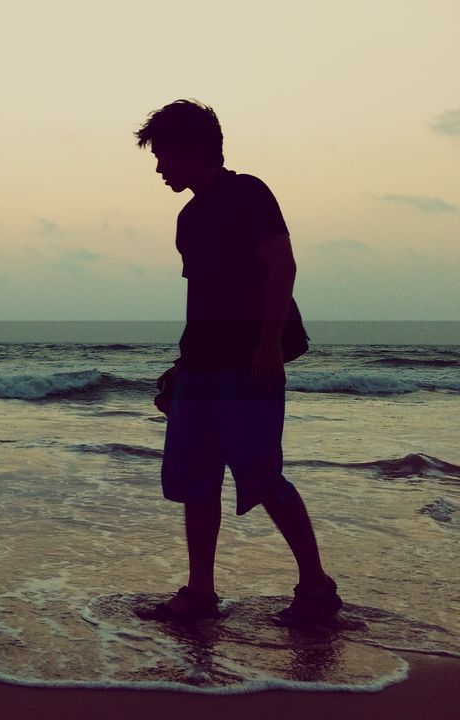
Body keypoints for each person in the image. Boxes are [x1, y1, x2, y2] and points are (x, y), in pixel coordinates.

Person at [131, 99, 342, 625]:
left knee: (263, 476)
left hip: (250, 365)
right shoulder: (189, 217)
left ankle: (316, 587)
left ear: (193, 149)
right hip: (201, 368)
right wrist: (182, 368)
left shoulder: (248, 192)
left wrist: (269, 343)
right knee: (196, 481)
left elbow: (282, 265)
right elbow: (203, 300)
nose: (159, 167)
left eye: (163, 156)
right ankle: (201, 591)